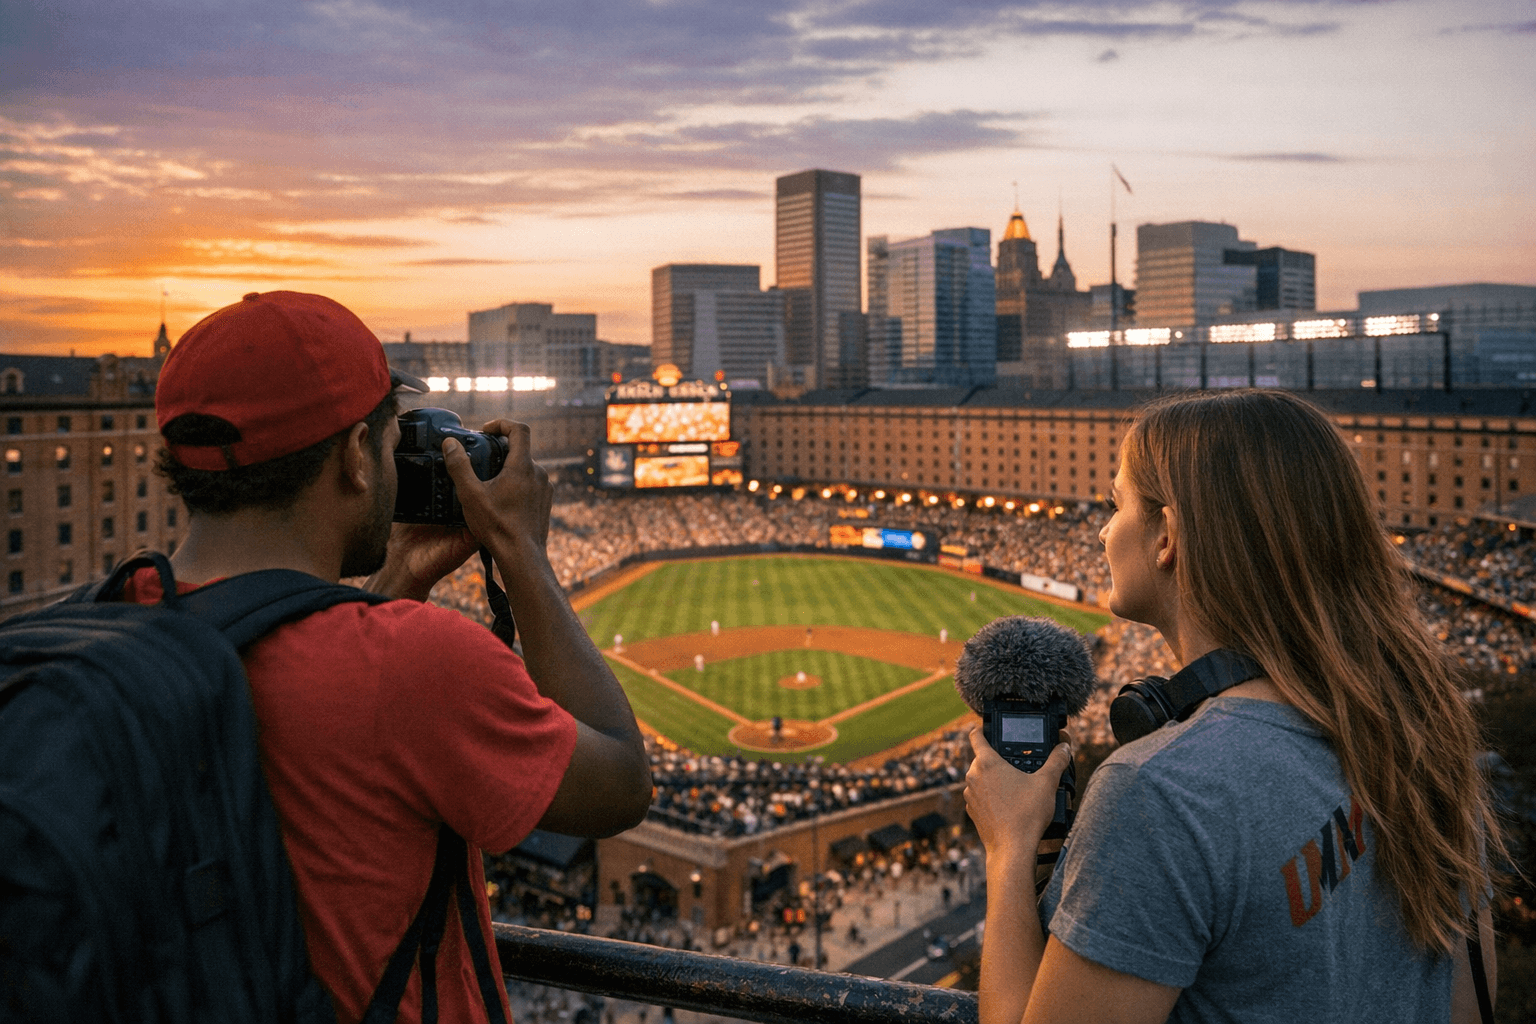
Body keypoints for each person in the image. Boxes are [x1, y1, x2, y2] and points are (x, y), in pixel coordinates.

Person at [143, 291, 652, 1023]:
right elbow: (622, 786)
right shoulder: (414, 663)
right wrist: (521, 552)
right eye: (391, 438)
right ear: (355, 455)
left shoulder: (114, 614)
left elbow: (304, 657)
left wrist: (402, 576)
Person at [965, 389, 1502, 1024]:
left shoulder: (1161, 791)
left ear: (1168, 536)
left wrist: (1009, 848)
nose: (1105, 530)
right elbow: (1469, 1006)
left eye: (1115, 506)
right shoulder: (1417, 735)